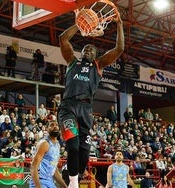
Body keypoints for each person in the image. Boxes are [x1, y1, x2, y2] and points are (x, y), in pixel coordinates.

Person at [57, 8, 124, 188]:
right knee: (72, 145)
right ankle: (73, 183)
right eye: (85, 49)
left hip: (86, 109)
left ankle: (73, 174)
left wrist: (119, 24)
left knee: (84, 155)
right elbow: (63, 38)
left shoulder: (98, 65)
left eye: (91, 49)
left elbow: (119, 48)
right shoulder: (72, 62)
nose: (87, 50)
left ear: (95, 55)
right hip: (69, 107)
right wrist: (80, 24)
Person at [29, 120, 67, 188]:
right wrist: (38, 186)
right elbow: (33, 167)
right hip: (40, 181)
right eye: (52, 125)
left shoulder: (57, 145)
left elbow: (54, 171)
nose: (55, 126)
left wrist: (65, 186)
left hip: (49, 181)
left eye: (56, 125)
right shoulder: (44, 143)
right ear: (46, 129)